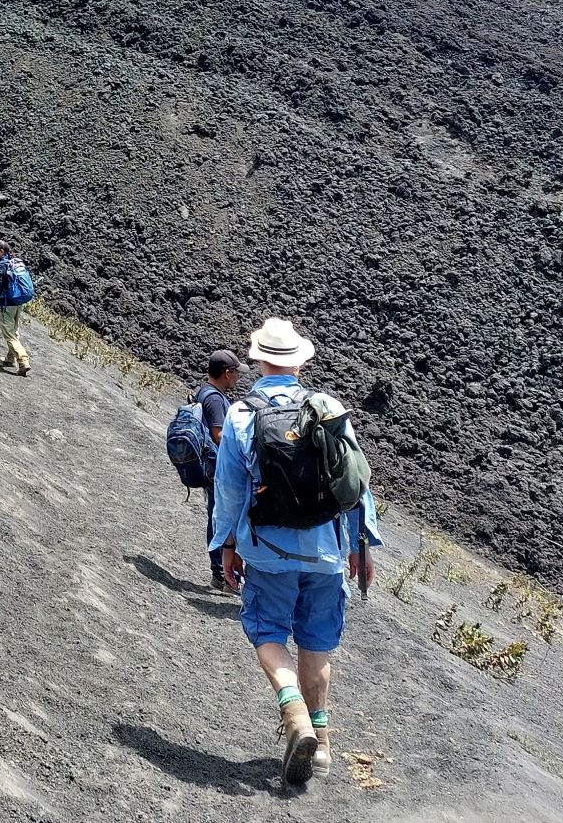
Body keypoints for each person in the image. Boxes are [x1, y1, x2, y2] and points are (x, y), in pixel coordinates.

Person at [207, 316, 380, 785]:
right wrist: (362, 544)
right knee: (317, 640)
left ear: (257, 360)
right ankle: (321, 744)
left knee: (267, 632)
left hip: (267, 549)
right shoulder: (327, 406)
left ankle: (295, 714)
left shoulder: (243, 415)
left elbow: (229, 490)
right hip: (326, 551)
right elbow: (355, 483)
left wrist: (225, 544)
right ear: (300, 362)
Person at [178, 351, 240, 587]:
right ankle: (220, 574)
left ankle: (221, 572)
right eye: (236, 373)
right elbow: (219, 435)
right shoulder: (214, 399)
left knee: (216, 516)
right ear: (227, 373)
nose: (238, 378)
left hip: (207, 465)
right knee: (220, 518)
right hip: (216, 468)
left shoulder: (204, 391)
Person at [0, 242, 34, 375]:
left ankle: (23, 361)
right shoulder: (14, 262)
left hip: (7, 304)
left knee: (9, 334)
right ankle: (10, 359)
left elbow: (0, 288)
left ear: (1, 251)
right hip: (18, 302)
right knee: (14, 329)